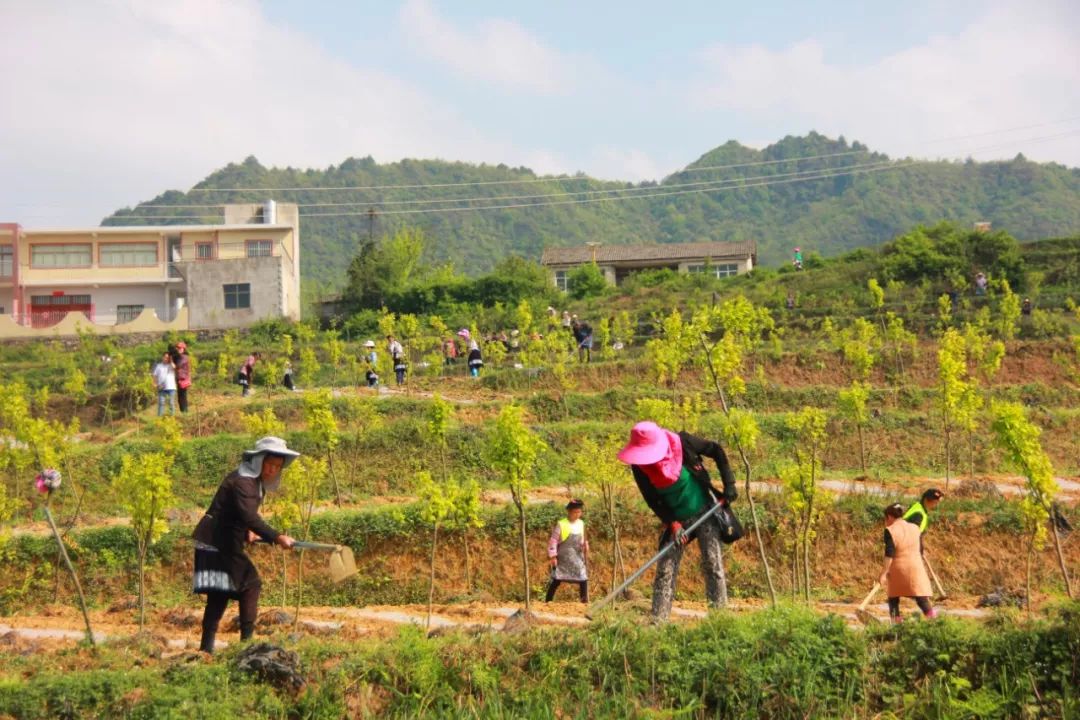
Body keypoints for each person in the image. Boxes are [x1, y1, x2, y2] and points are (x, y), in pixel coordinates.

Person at [617, 421, 737, 621]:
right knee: (666, 567)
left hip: (704, 509)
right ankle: (658, 620)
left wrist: (729, 484)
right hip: (676, 518)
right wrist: (672, 522)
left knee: (712, 561)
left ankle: (720, 618)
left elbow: (715, 449)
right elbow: (651, 498)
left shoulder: (683, 443)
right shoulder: (639, 467)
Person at [192, 436, 299, 653]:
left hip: (215, 540)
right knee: (250, 584)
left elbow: (236, 514)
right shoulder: (244, 482)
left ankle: (206, 650)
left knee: (219, 593)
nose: (272, 470)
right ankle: (247, 645)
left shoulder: (250, 480)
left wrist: (246, 532)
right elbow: (249, 516)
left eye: (277, 467)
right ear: (259, 461)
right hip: (218, 542)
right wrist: (277, 537)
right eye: (269, 464)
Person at [879, 503, 937, 623]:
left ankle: (897, 625)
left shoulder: (890, 530)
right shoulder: (915, 528)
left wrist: (884, 573)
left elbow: (889, 553)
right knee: (921, 597)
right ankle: (934, 622)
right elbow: (921, 550)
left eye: (885, 518)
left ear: (889, 516)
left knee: (893, 599)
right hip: (916, 567)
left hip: (899, 568)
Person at [545, 499, 590, 603]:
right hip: (563, 556)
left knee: (583, 577)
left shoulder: (581, 523)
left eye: (579, 512)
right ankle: (548, 602)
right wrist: (553, 556)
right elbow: (553, 541)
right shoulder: (561, 524)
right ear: (569, 512)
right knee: (557, 578)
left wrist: (585, 545)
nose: (577, 514)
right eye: (575, 512)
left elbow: (582, 539)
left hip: (577, 556)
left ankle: (584, 602)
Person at [152, 351, 176, 416]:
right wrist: (154, 383)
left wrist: (171, 361)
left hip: (171, 387)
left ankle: (172, 418)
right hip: (161, 387)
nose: (166, 359)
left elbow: (174, 368)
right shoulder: (158, 366)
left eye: (168, 358)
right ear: (162, 357)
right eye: (165, 357)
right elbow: (155, 375)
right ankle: (159, 419)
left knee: (171, 403)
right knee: (161, 403)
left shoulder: (171, 365)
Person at [174, 341, 192, 413]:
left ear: (183, 349)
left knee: (183, 396)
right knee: (180, 396)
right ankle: (183, 412)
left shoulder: (184, 357)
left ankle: (185, 411)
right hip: (179, 379)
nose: (178, 349)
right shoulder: (178, 357)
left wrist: (173, 361)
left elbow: (178, 366)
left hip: (183, 379)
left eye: (180, 348)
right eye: (177, 348)